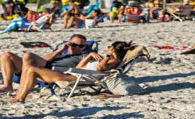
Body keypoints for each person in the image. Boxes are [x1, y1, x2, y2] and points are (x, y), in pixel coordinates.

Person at [9, 41, 138, 103]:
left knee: (31, 70)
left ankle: (21, 97)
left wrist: (107, 57)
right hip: (75, 73)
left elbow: (100, 69)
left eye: (109, 48)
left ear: (112, 49)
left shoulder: (112, 61)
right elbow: (80, 66)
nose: (107, 49)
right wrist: (88, 56)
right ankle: (20, 94)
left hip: (75, 78)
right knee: (30, 66)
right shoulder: (107, 59)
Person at [0, 34, 93, 94]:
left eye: (81, 46)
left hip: (50, 72)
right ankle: (7, 86)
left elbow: (81, 69)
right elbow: (44, 59)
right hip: (39, 66)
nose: (77, 48)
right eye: (74, 45)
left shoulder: (83, 56)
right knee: (7, 55)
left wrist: (88, 56)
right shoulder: (60, 52)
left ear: (85, 47)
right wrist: (59, 50)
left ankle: (25, 85)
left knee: (27, 55)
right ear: (69, 43)